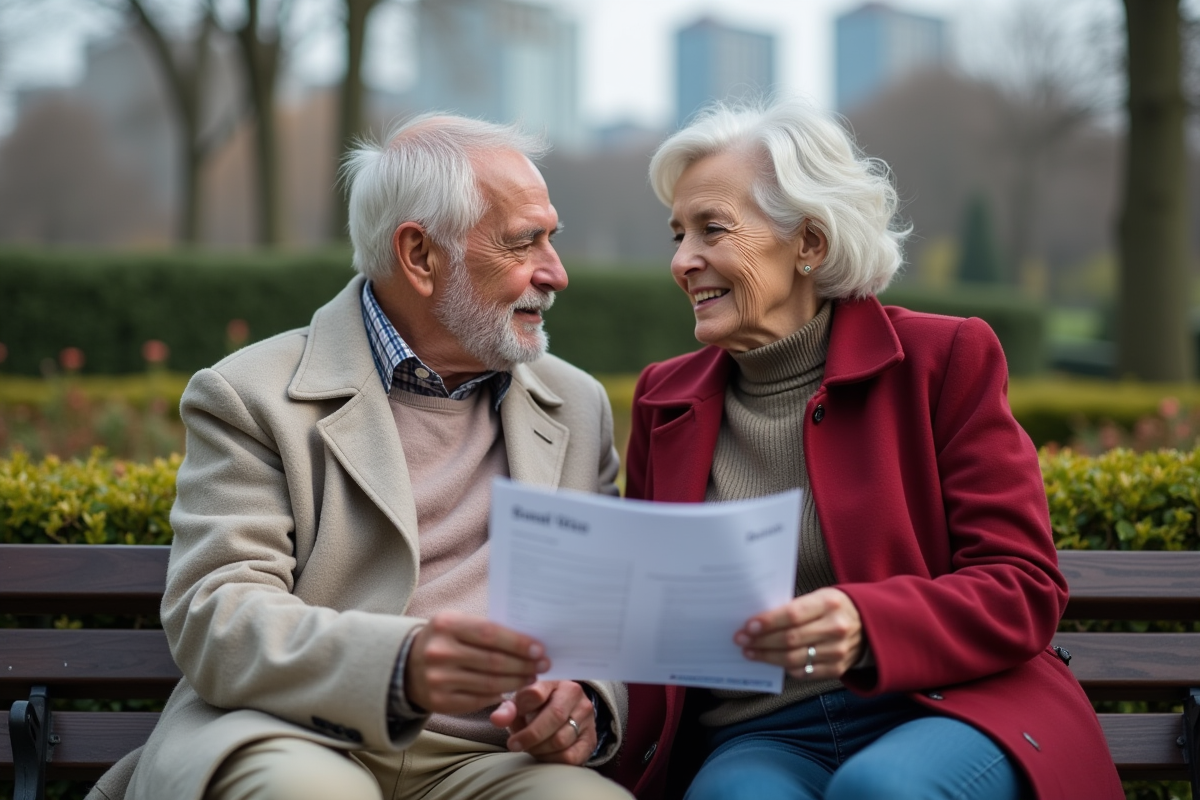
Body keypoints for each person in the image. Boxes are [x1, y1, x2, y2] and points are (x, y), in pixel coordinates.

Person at [86, 114, 635, 800]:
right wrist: (399, 667)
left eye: (551, 238)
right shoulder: (250, 394)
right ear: (420, 255)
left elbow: (598, 616)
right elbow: (219, 616)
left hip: (490, 758)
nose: (556, 273)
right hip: (290, 730)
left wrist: (583, 698)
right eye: (524, 242)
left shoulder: (577, 405)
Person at [610, 99, 1123, 800]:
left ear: (809, 243)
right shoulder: (663, 399)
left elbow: (1023, 585)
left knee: (880, 788)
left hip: (948, 705)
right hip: (762, 733)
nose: (681, 261)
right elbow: (646, 620)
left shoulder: (943, 359)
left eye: (712, 229)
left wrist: (866, 623)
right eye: (677, 235)